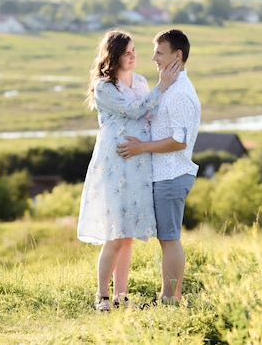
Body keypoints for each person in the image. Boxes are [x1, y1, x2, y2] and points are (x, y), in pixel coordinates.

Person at [77, 28, 180, 311]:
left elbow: (149, 113)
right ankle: (102, 296)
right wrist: (162, 87)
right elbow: (134, 111)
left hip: (138, 162)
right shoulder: (104, 86)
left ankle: (122, 296)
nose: (134, 57)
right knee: (114, 233)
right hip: (115, 160)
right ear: (114, 56)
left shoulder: (141, 81)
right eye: (127, 53)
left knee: (127, 233)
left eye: (134, 51)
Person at [117, 29, 201, 305]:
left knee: (170, 240)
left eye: (159, 52)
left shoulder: (179, 93)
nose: (153, 58)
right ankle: (169, 297)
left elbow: (179, 141)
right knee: (167, 238)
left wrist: (141, 147)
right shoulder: (171, 88)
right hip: (166, 175)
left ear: (178, 55)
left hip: (172, 175)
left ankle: (169, 299)